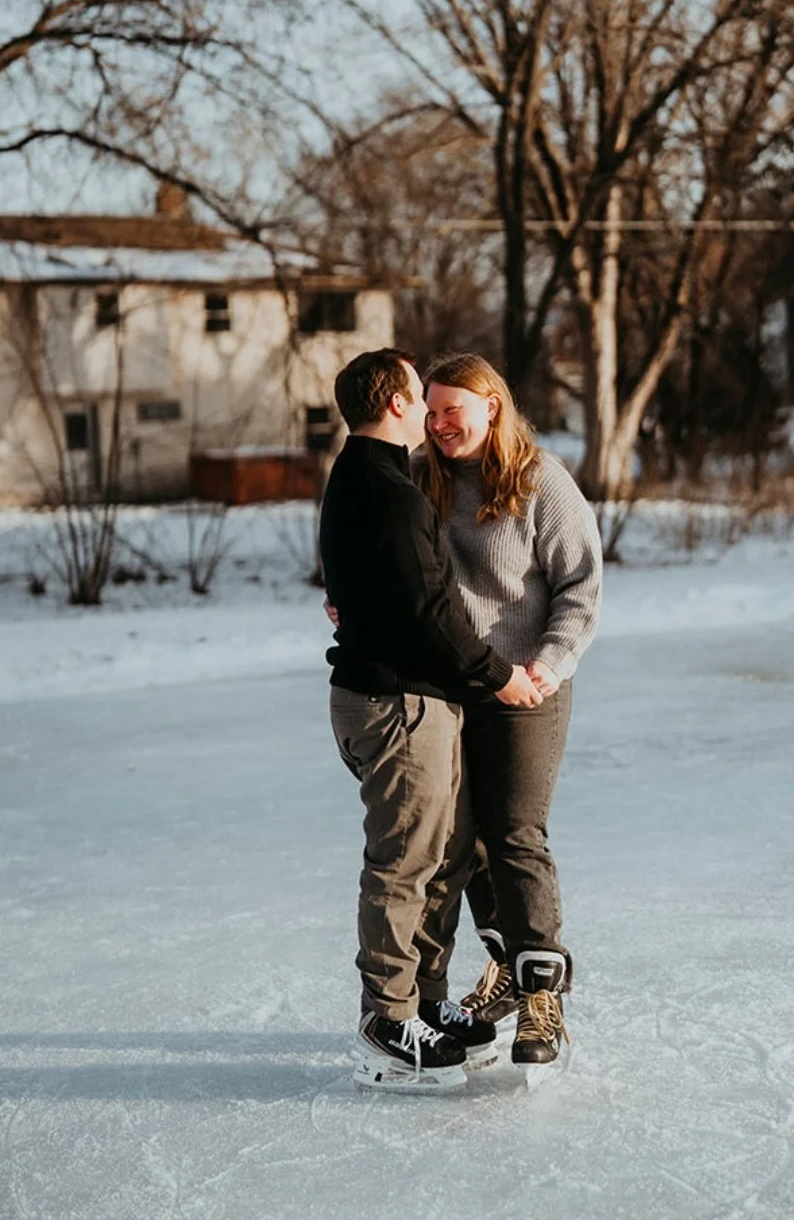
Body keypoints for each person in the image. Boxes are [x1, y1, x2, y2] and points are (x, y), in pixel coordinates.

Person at [319, 348, 543, 1093]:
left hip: (408, 698)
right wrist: (498, 676)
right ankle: (388, 1020)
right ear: (394, 403)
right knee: (405, 863)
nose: (429, 407)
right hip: (395, 704)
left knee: (443, 854)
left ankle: (427, 1002)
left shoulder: (367, 479)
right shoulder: (389, 492)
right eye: (420, 394)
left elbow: (377, 590)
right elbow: (430, 614)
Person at [418, 352, 602, 1077]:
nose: (438, 424)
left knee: (517, 833)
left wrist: (546, 667)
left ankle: (542, 999)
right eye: (429, 411)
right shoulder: (421, 478)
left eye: (451, 410)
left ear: (491, 406)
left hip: (528, 687)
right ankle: (505, 967)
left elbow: (581, 587)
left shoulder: (539, 479)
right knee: (466, 846)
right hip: (452, 687)